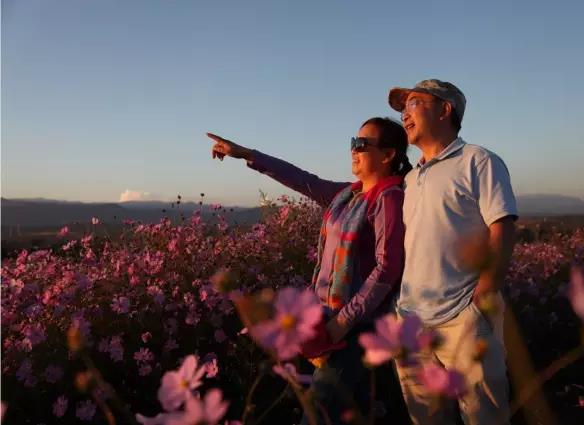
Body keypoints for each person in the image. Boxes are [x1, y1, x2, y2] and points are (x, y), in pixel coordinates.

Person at [206, 117, 412, 424]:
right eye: (352, 143)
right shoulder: (348, 195)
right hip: (327, 321)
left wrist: (342, 323)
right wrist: (247, 154)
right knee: (352, 412)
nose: (353, 150)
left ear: (388, 155)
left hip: (355, 328)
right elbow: (300, 178)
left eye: (362, 144)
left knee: (317, 412)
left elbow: (387, 267)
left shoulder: (388, 198)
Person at [388, 79, 518, 425]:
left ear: (445, 109)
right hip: (412, 320)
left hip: (463, 317)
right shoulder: (411, 179)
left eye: (414, 103)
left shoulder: (478, 161)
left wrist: (483, 295)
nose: (404, 114)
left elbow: (502, 226)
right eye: (403, 108)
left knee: (484, 418)